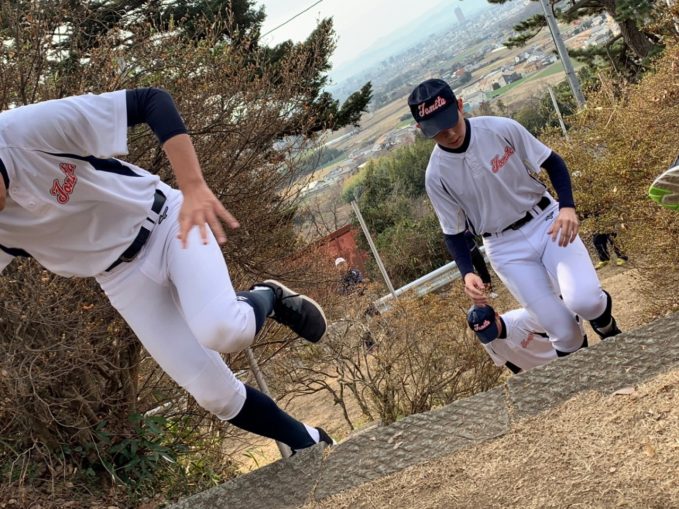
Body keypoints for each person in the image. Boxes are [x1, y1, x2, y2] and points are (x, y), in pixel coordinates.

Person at [0, 88, 334, 452]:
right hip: (119, 278)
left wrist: (193, 186)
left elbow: (151, 101)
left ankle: (270, 295)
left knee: (225, 329)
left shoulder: (24, 131)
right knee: (215, 395)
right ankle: (310, 443)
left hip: (166, 222)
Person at [408, 79, 621, 357]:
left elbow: (552, 162)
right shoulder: (436, 174)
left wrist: (567, 207)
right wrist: (467, 272)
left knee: (585, 300)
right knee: (563, 332)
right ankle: (587, 373)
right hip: (504, 247)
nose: (449, 133)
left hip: (546, 220)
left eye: (451, 122)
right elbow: (453, 231)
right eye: (437, 130)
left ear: (459, 105)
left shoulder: (499, 128)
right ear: (421, 129)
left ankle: (606, 326)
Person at [467, 304, 587, 374]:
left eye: (491, 329)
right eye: (483, 333)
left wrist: (580, 353)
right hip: (540, 375)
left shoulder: (523, 318)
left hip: (565, 359)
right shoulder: (488, 341)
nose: (490, 335)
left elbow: (569, 323)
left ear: (497, 315)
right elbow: (508, 363)